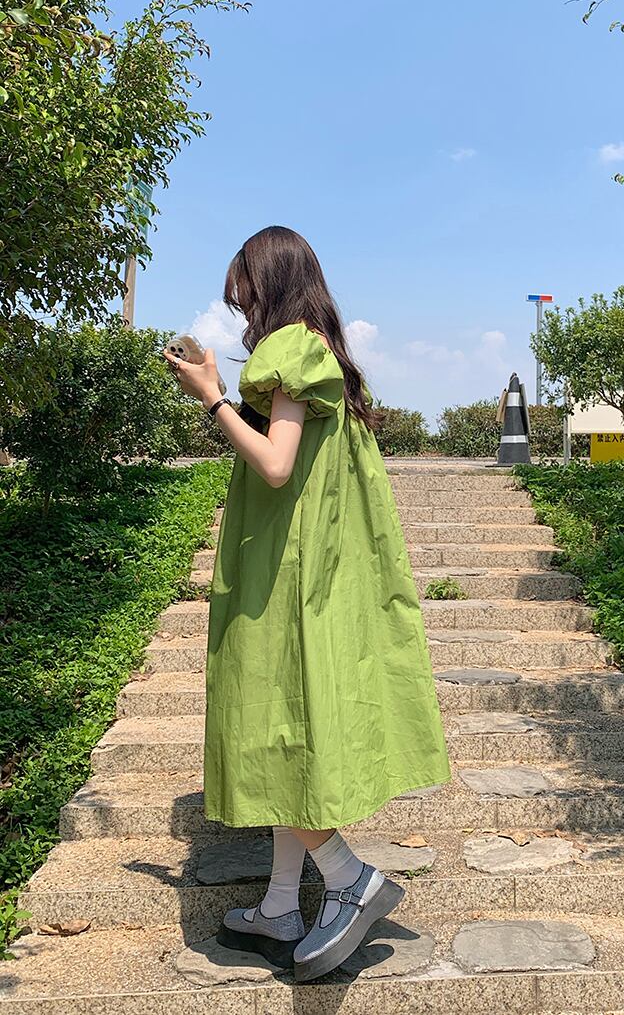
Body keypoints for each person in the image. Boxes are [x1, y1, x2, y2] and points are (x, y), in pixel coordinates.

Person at [164, 225, 451, 982]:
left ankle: (350, 878)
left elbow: (275, 464)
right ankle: (282, 904)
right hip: (312, 568)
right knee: (287, 733)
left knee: (270, 728)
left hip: (286, 574)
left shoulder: (291, 349)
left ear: (272, 285)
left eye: (244, 294)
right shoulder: (322, 354)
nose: (240, 310)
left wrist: (212, 399)